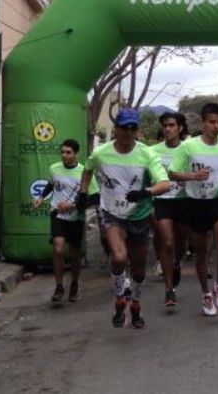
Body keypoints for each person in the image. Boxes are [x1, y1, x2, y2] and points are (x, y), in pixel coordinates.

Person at [78, 109, 171, 329]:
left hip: (138, 215)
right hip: (112, 213)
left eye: (133, 128)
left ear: (137, 131)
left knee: (138, 269)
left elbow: (164, 183)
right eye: (124, 128)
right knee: (119, 258)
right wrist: (83, 193)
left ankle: (136, 305)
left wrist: (146, 192)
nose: (129, 133)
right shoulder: (101, 153)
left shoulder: (147, 154)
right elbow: (87, 170)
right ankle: (120, 297)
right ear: (116, 130)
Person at [168, 103, 218, 316]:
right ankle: (205, 293)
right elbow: (173, 173)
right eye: (211, 122)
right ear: (203, 122)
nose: (216, 126)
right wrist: (193, 176)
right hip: (195, 202)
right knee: (203, 253)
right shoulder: (188, 146)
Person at [33, 139, 98, 302]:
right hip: (57, 214)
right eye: (62, 152)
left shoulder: (85, 172)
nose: (64, 155)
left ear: (76, 154)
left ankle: (74, 284)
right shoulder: (54, 168)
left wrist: (73, 206)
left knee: (75, 254)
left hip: (76, 217)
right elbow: (51, 184)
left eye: (68, 152)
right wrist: (40, 198)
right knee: (58, 249)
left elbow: (95, 197)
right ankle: (59, 286)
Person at [149, 112, 189, 307]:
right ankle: (169, 290)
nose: (167, 129)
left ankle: (177, 263)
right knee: (167, 242)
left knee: (180, 243)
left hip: (183, 200)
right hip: (162, 201)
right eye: (165, 125)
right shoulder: (153, 150)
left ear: (180, 128)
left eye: (172, 125)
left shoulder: (189, 149)